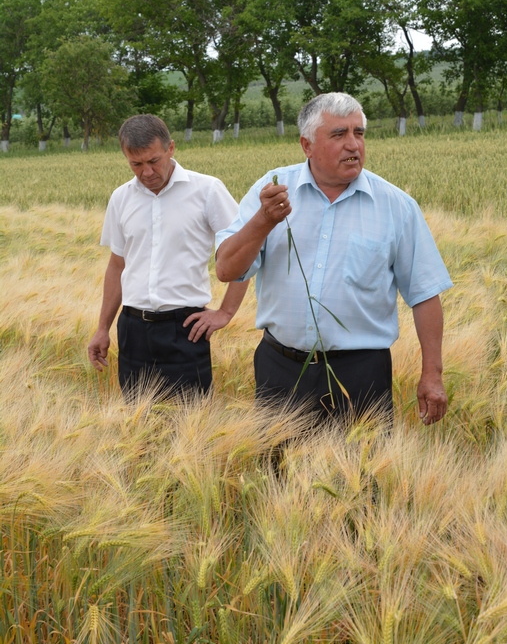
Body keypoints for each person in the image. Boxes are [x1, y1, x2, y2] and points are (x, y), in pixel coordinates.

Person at [215, 93, 453, 423]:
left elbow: (424, 294)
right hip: (280, 370)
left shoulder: (396, 206)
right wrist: (263, 221)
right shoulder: (271, 191)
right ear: (307, 145)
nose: (353, 145)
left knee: (361, 458)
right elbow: (226, 269)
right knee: (277, 458)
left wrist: (432, 374)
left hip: (361, 374)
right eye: (339, 134)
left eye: (359, 133)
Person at [88, 114, 248, 397]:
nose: (147, 172)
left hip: (186, 329)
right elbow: (117, 266)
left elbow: (245, 252)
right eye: (136, 164)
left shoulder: (207, 190)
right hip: (132, 330)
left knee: (191, 418)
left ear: (171, 148)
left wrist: (226, 312)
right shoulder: (121, 198)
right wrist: (103, 328)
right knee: (136, 419)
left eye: (154, 161)